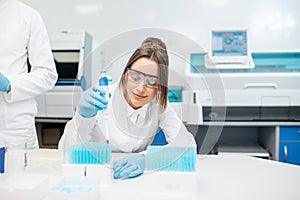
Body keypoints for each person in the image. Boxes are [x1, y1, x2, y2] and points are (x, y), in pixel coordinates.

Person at [59, 37, 196, 179]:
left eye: (151, 82)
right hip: (95, 176)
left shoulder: (159, 105)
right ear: (125, 74)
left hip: (133, 180)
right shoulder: (103, 96)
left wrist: (147, 159)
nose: (141, 88)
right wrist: (82, 117)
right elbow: (66, 150)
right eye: (135, 77)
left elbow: (187, 144)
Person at [0, 0, 58, 149]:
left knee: (18, 172)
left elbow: (48, 74)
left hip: (13, 129)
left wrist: (10, 85)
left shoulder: (27, 16)